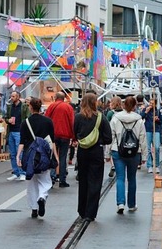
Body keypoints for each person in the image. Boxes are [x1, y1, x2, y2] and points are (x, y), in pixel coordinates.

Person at [16, 97, 58, 218]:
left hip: (30, 155)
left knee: (31, 181)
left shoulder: (26, 122)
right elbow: (52, 141)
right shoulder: (48, 121)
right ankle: (42, 196)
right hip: (44, 154)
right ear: (40, 107)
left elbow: (22, 142)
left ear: (30, 107)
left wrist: (18, 156)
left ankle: (34, 208)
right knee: (44, 179)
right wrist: (55, 156)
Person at [74, 93, 112, 222]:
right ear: (94, 102)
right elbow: (108, 138)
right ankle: (90, 213)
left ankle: (82, 210)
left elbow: (74, 133)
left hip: (82, 151)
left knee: (83, 180)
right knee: (95, 182)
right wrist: (99, 139)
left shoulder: (78, 117)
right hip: (96, 151)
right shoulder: (101, 117)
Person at [109, 96, 147, 214]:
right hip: (134, 152)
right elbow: (143, 138)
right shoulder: (139, 120)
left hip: (117, 151)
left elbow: (111, 137)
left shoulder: (115, 118)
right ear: (135, 106)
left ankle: (120, 203)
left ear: (123, 105)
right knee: (132, 178)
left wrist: (107, 153)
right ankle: (131, 204)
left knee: (120, 178)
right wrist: (144, 156)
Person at [45, 91, 75, 187]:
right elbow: (72, 122)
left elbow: (46, 119)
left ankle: (52, 177)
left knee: (54, 156)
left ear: (55, 97)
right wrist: (74, 137)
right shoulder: (68, 107)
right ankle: (62, 179)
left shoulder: (51, 106)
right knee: (63, 157)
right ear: (64, 98)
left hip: (53, 135)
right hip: (65, 135)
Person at [5, 91, 29, 181]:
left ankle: (22, 172)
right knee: (12, 153)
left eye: (14, 96)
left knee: (20, 153)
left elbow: (27, 118)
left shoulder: (24, 106)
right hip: (11, 131)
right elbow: (6, 117)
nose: (12, 98)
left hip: (19, 131)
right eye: (11, 96)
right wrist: (8, 120)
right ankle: (15, 172)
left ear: (18, 97)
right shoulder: (10, 106)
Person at [141, 98, 162, 174]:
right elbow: (141, 117)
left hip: (156, 130)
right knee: (148, 148)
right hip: (147, 129)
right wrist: (146, 112)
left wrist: (158, 120)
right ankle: (149, 165)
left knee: (157, 147)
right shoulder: (146, 109)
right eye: (150, 103)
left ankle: (157, 165)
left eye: (152, 103)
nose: (151, 105)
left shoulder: (159, 110)